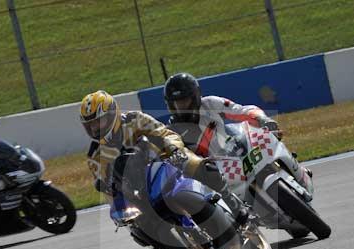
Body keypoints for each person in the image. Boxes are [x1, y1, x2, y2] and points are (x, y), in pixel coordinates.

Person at [79, 90, 248, 224]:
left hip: (166, 161)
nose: (95, 128)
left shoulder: (135, 120)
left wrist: (175, 150)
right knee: (135, 224)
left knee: (201, 166)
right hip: (139, 189)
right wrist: (118, 207)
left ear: (111, 114)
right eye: (90, 125)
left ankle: (233, 204)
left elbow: (164, 133)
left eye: (98, 122)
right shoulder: (95, 155)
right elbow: (106, 188)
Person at [163, 72, 313, 197]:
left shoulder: (211, 103)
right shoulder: (173, 131)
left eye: (184, 101)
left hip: (236, 149)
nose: (181, 106)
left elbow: (240, 111)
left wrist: (262, 119)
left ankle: (299, 172)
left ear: (195, 96)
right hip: (216, 173)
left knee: (269, 137)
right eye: (177, 103)